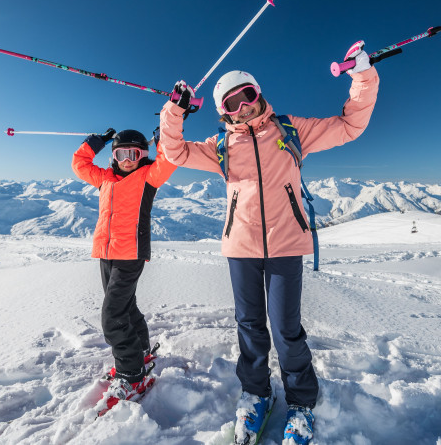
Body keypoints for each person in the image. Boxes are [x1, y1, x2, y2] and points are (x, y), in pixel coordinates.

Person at [157, 41, 379, 445]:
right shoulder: (220, 147)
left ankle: (301, 403)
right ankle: (256, 394)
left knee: (286, 329)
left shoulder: (293, 131)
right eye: (231, 105)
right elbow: (172, 151)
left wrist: (362, 75)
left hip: (286, 244)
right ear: (222, 112)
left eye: (247, 97)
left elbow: (351, 126)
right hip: (241, 248)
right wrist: (175, 111)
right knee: (250, 328)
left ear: (259, 94)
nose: (242, 108)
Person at [71, 127, 177, 414]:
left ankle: (131, 374)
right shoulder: (105, 177)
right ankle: (139, 352)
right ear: (114, 156)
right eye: (121, 154)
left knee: (111, 315)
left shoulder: (148, 177)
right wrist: (95, 143)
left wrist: (165, 136)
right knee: (125, 307)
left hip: (130, 254)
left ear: (143, 155)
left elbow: (170, 158)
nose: (128, 159)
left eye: (135, 154)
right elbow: (79, 164)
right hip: (106, 253)